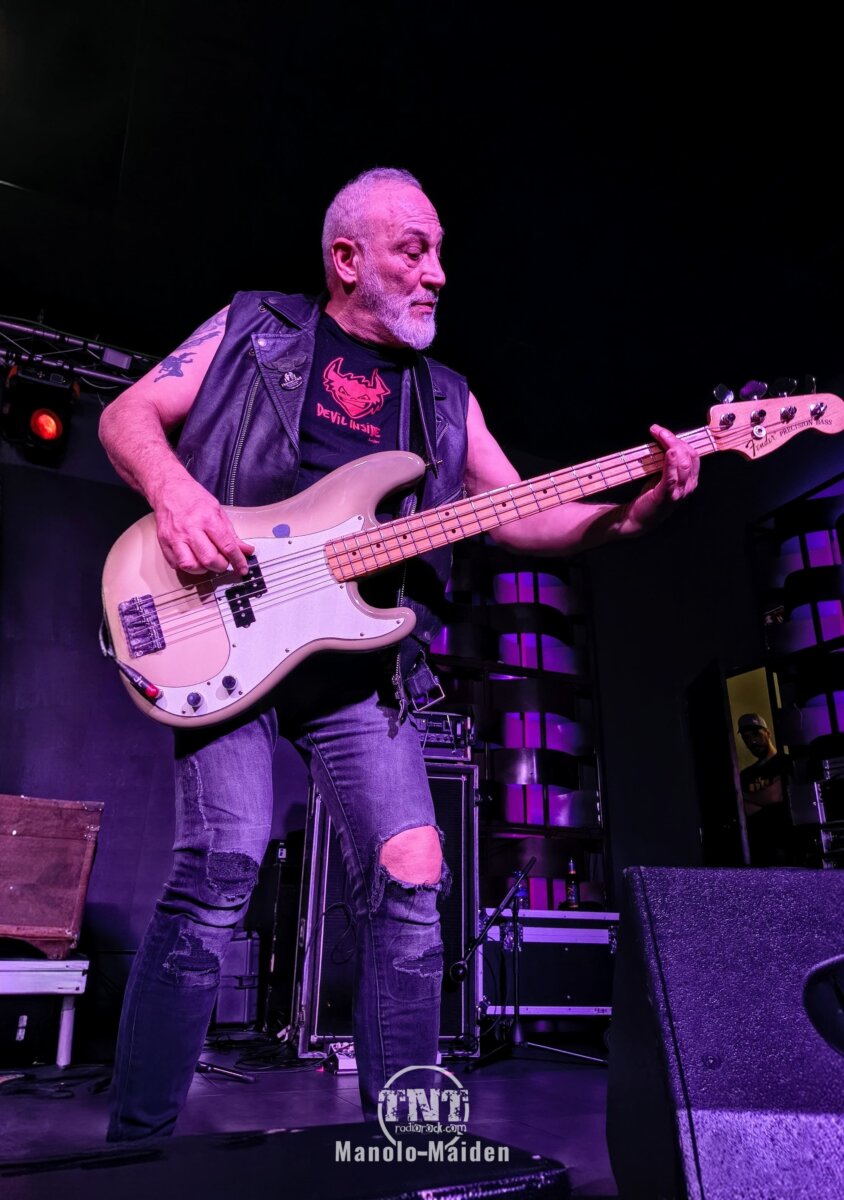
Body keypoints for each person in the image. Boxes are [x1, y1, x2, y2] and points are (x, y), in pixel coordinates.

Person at [98, 166, 700, 1141]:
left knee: (415, 878)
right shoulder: (255, 327)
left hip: (362, 674)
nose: (438, 274)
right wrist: (177, 496)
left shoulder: (446, 400)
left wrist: (632, 513)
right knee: (222, 864)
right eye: (413, 251)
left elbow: (520, 514)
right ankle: (136, 1147)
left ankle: (404, 1143)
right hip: (223, 632)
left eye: (440, 252)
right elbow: (126, 416)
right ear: (347, 259)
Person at [736, 712, 796, 866]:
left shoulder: (785, 762)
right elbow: (744, 809)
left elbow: (774, 795)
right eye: (746, 737)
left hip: (787, 844)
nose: (752, 741)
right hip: (759, 848)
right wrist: (762, 799)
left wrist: (743, 795)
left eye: (756, 733)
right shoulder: (745, 775)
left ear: (767, 733)